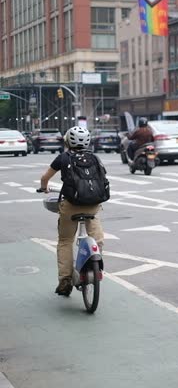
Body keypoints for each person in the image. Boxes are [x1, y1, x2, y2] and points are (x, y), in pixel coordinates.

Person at [39, 126, 107, 296]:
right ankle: (94, 262)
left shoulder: (63, 157)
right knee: (97, 238)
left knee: (65, 241)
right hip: (93, 205)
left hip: (70, 205)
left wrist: (44, 188)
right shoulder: (95, 158)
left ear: (68, 141)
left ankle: (65, 281)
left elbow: (44, 178)